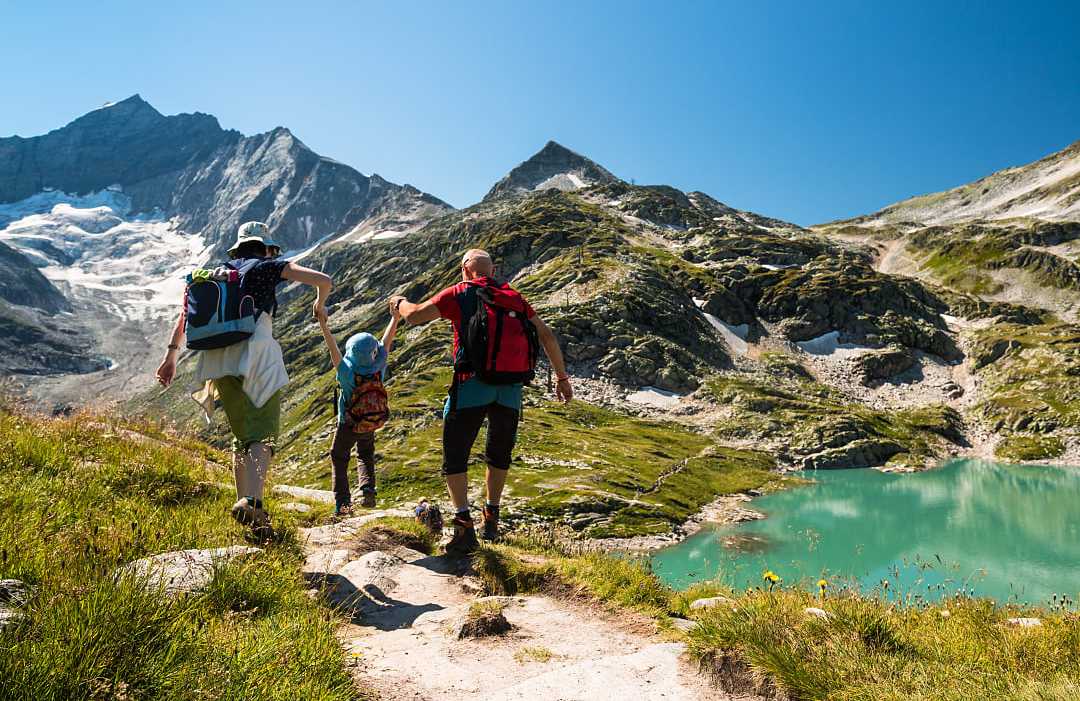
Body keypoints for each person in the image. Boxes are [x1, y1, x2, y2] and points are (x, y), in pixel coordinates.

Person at [390, 248, 573, 554]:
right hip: (510, 389)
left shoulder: (460, 292)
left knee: (455, 454)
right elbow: (547, 335)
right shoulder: (514, 297)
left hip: (471, 384)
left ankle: (463, 526)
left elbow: (415, 316)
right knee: (498, 454)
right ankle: (491, 518)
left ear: (465, 269)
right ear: (492, 269)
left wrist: (398, 302)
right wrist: (562, 378)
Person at [155, 221, 332, 537]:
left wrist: (171, 357)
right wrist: (319, 301)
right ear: (265, 247)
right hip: (257, 355)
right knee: (263, 434)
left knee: (241, 435)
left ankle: (248, 506)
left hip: (218, 359)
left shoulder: (214, 275)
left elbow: (185, 317)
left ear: (236, 248)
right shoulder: (267, 267)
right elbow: (322, 279)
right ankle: (253, 501)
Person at [317, 304, 401, 515]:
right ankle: (368, 490)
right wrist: (395, 318)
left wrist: (323, 323)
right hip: (370, 421)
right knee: (365, 454)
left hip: (348, 423)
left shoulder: (346, 372)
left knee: (339, 457)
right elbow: (386, 343)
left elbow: (332, 349)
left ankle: (343, 505)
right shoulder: (378, 366)